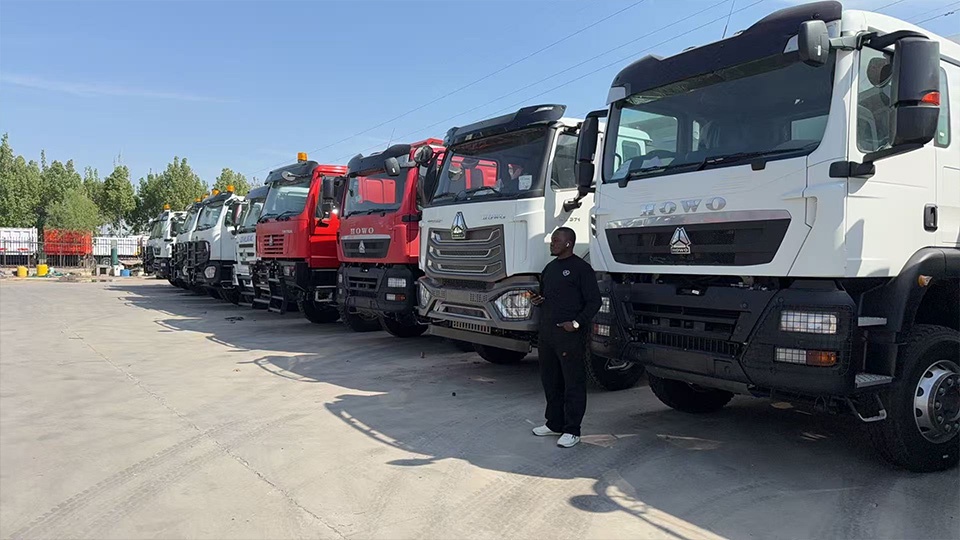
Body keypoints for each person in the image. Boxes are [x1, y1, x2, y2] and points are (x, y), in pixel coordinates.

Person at [529, 227, 601, 448]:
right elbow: (547, 296)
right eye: (552, 240)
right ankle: (554, 423)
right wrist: (539, 300)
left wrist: (577, 323)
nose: (552, 244)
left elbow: (594, 302)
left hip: (570, 336)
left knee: (573, 383)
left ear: (568, 243)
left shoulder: (582, 269)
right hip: (547, 334)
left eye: (556, 240)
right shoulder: (550, 268)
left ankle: (572, 430)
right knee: (550, 380)